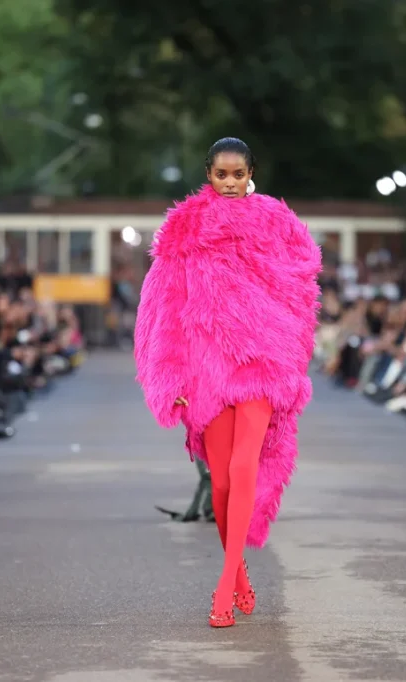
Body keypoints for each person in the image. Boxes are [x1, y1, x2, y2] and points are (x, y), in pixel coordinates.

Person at [134, 137, 322, 628]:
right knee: (219, 482)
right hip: (207, 371)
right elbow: (164, 304)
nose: (231, 183)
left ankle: (222, 587)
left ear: (251, 172)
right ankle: (237, 570)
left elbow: (303, 282)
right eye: (222, 174)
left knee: (244, 467)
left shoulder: (276, 221)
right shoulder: (184, 227)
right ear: (209, 174)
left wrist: (286, 346)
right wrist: (170, 374)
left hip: (261, 365)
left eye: (238, 174)